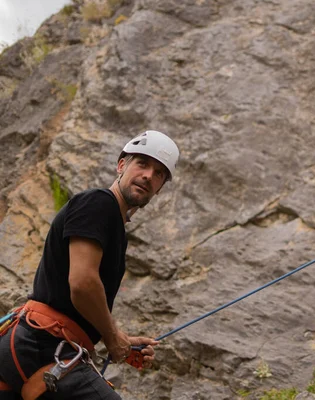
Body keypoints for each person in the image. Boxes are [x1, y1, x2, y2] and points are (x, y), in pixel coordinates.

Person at [0, 130, 180, 399]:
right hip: (43, 346)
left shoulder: (112, 224)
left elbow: (76, 301)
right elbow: (83, 284)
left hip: (34, 348)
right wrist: (112, 338)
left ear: (160, 188)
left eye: (158, 174)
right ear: (121, 165)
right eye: (142, 163)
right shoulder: (99, 203)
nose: (148, 176)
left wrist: (121, 340)